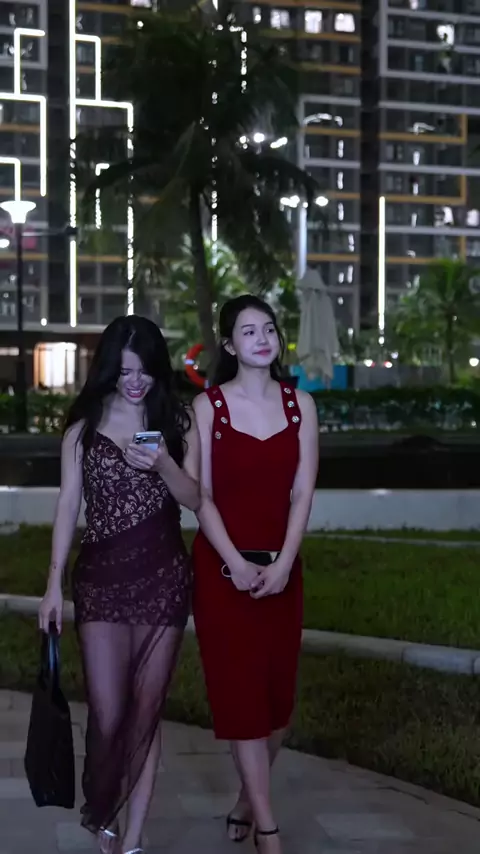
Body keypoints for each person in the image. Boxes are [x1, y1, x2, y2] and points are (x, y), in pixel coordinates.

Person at [38, 315, 199, 854]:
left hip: (163, 577)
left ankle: (130, 838)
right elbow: (68, 505)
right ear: (109, 369)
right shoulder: (83, 427)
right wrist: (53, 585)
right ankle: (104, 808)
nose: (135, 381)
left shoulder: (178, 421)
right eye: (125, 371)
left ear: (158, 369)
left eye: (144, 370)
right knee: (108, 714)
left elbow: (196, 498)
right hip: (101, 580)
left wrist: (164, 463)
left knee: (146, 711)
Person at [192, 295, 318, 854]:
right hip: (223, 573)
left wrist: (284, 561)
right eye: (248, 331)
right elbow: (201, 497)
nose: (262, 339)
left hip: (282, 570)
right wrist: (236, 563)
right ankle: (268, 829)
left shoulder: (301, 405)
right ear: (228, 344)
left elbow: (302, 491)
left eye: (268, 329)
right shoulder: (208, 408)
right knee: (241, 697)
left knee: (277, 705)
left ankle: (246, 800)